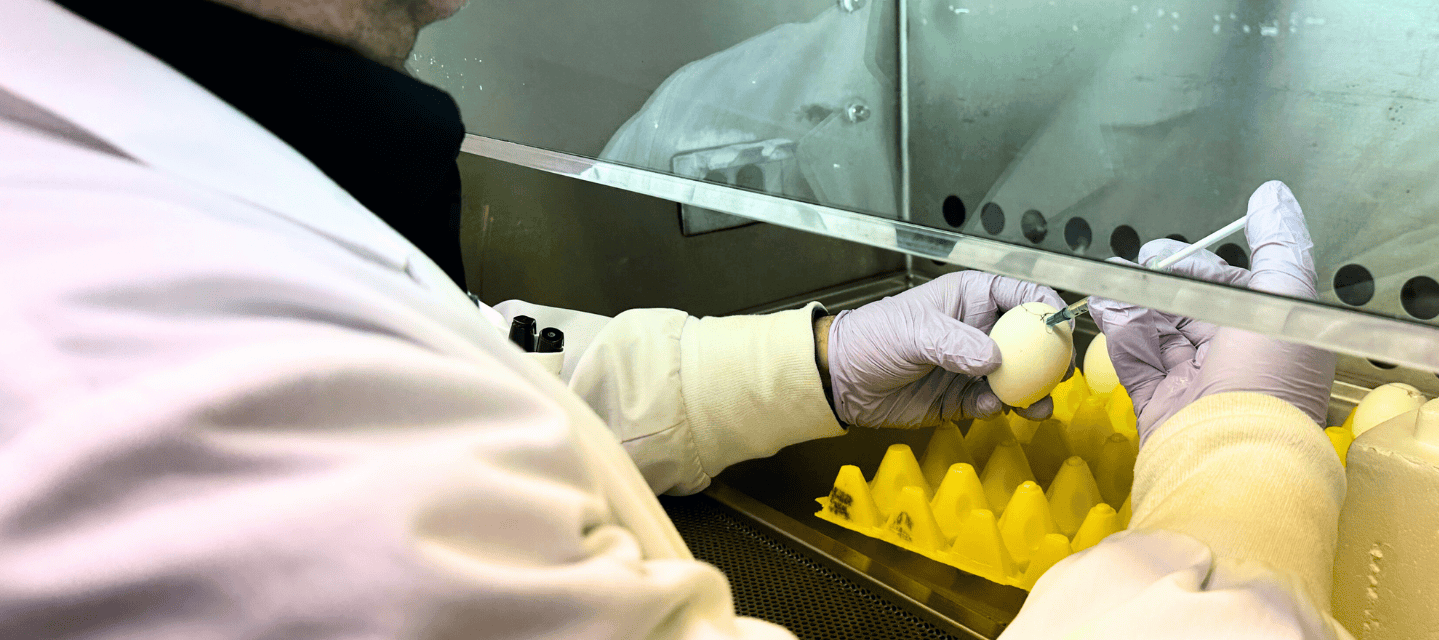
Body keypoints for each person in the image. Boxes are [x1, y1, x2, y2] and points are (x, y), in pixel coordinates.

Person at [0, 2, 1349, 639]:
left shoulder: (94, 172)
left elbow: (436, 357)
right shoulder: (176, 378)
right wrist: (1241, 467)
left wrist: (799, 366)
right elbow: (347, 432)